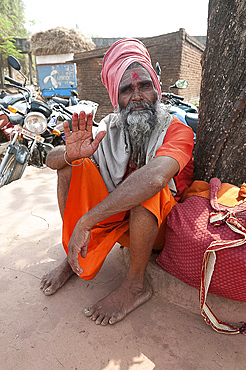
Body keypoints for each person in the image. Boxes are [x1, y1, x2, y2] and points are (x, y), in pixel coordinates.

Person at [40, 38, 194, 326]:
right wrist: (70, 155)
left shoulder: (177, 130)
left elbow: (157, 176)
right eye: (127, 89)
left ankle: (136, 286)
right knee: (70, 167)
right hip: (115, 220)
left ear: (156, 89)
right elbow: (50, 159)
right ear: (115, 97)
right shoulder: (108, 128)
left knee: (148, 185)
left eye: (144, 86)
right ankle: (73, 255)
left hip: (156, 230)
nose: (137, 96)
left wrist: (87, 221)